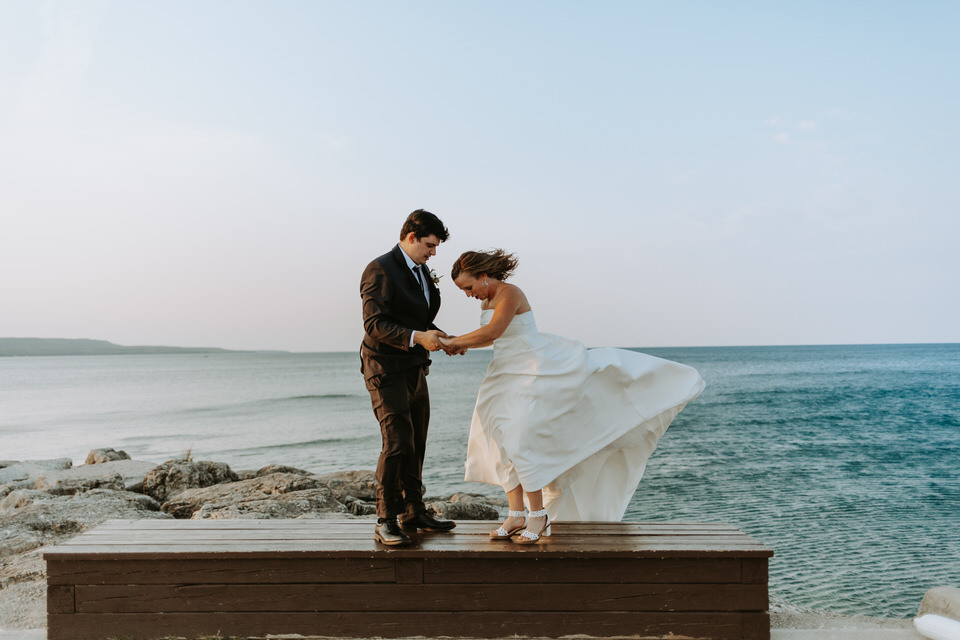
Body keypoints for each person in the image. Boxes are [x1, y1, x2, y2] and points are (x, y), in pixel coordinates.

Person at [440, 249, 705, 544]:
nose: (467, 294)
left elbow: (495, 330)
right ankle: (516, 514)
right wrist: (460, 345)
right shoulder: (488, 298)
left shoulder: (509, 292)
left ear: (483, 276)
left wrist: (452, 341)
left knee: (520, 439)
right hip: (503, 372)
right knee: (498, 442)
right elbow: (492, 339)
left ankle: (538, 515)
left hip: (531, 370)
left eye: (468, 287)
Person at [360, 209, 459, 546]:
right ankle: (384, 519)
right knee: (397, 441)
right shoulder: (380, 269)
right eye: (430, 245)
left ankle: (414, 511)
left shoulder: (421, 272)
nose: (433, 253)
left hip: (416, 368)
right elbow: (374, 324)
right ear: (411, 237)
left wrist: (436, 335)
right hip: (384, 369)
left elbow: (414, 316)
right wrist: (418, 336)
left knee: (417, 442)